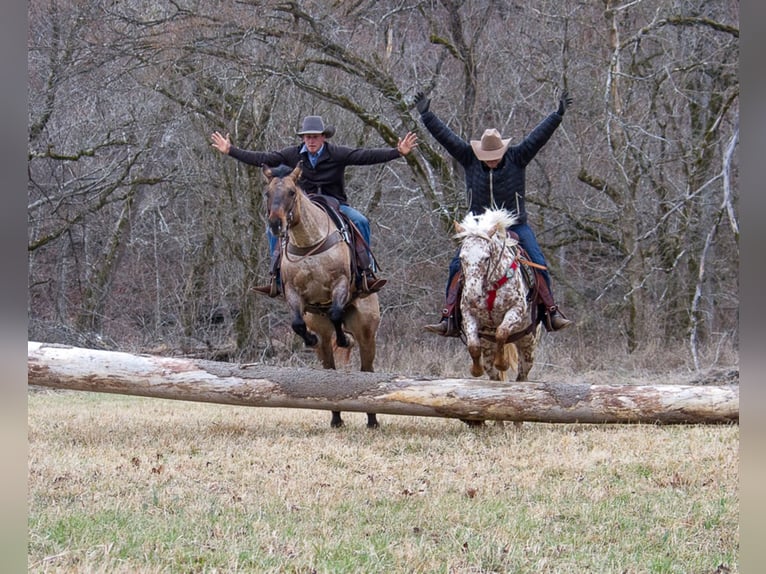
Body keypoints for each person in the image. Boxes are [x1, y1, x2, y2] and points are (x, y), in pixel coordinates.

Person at [414, 90, 573, 335]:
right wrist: (426, 115)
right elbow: (445, 138)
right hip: (478, 228)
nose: (491, 161)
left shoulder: (518, 156)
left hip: (514, 225)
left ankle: (550, 312)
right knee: (457, 265)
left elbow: (539, 137)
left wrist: (557, 115)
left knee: (538, 262)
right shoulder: (468, 157)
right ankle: (449, 317)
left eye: (495, 157)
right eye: (487, 158)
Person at [211, 115, 418, 296]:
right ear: (303, 138)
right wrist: (231, 150)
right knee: (271, 228)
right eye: (307, 137)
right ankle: (276, 275)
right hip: (304, 206)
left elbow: (364, 156)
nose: (311, 141)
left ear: (323, 137)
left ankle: (366, 272)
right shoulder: (292, 155)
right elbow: (263, 158)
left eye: (315, 137)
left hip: (333, 203)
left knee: (360, 220)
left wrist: (397, 152)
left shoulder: (337, 153)